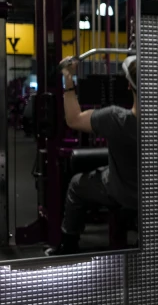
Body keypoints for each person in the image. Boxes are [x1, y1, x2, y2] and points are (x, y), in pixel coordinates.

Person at [46, 55, 139, 256]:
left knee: (76, 185)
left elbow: (73, 119)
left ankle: (68, 245)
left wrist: (68, 78)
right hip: (155, 196)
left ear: (129, 87)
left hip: (119, 191)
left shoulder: (115, 118)